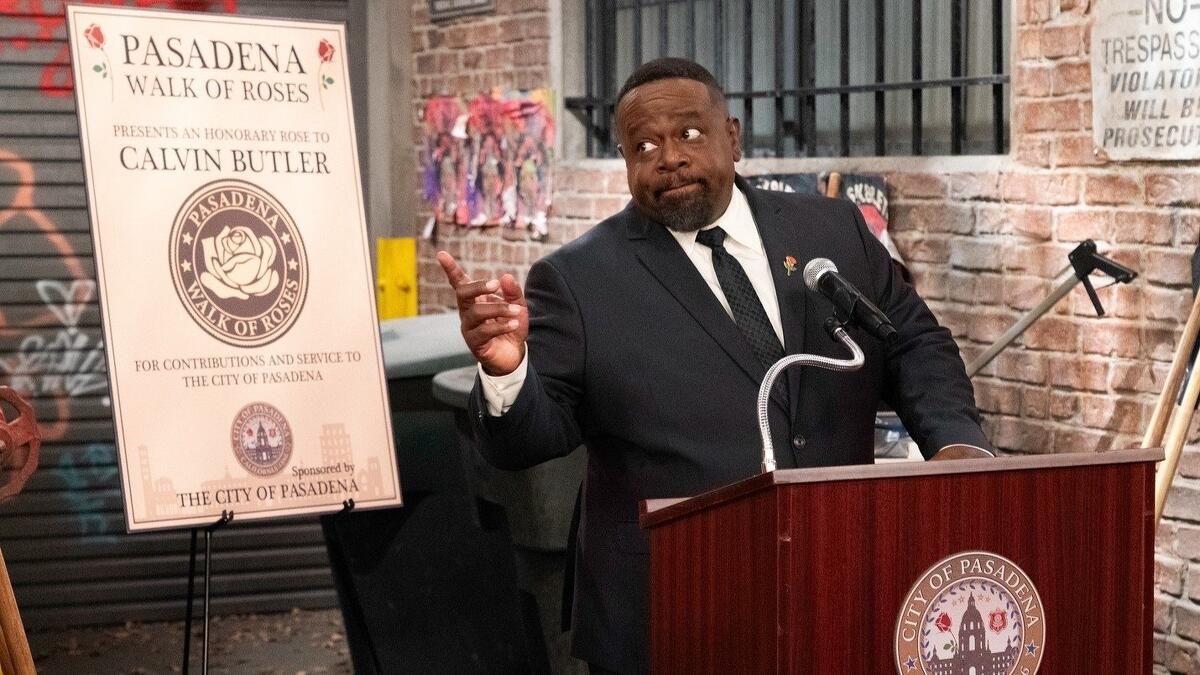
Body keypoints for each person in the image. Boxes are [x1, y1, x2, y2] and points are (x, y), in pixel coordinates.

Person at [437, 57, 992, 674]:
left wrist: (957, 442)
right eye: (645, 146)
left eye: (689, 134)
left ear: (733, 136)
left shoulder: (832, 231)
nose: (670, 158)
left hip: (838, 586)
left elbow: (913, 341)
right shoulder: (579, 279)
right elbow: (528, 442)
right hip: (672, 610)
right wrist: (506, 371)